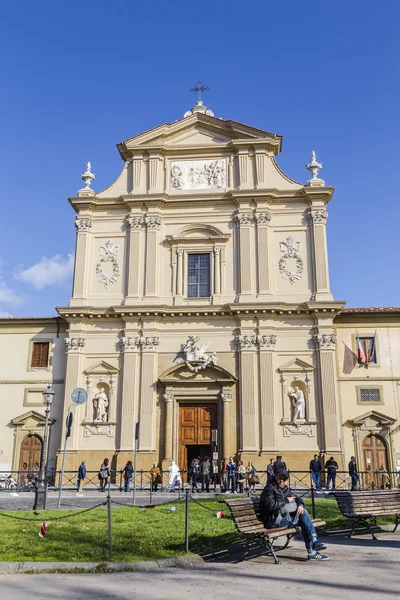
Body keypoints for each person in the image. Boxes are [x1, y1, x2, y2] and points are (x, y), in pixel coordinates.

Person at [260, 470, 329, 561]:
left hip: (283, 518)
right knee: (305, 520)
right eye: (280, 478)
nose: (281, 481)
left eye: (284, 479)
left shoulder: (285, 489)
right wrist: (285, 500)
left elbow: (297, 498)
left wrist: (300, 505)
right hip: (273, 521)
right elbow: (270, 506)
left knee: (303, 514)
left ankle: (314, 543)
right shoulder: (269, 489)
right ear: (276, 477)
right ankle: (312, 546)